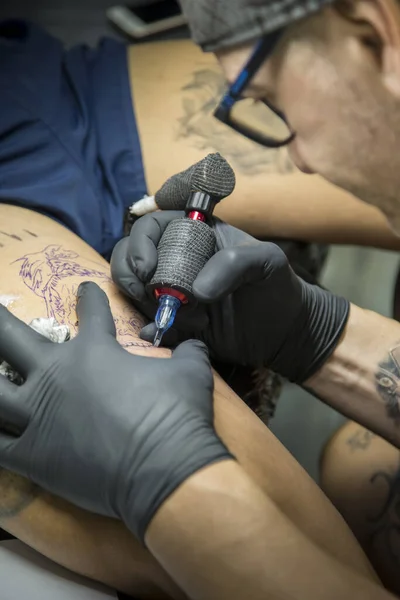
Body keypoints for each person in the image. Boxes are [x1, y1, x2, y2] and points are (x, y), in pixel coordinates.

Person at [0, 12, 396, 600]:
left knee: (362, 482)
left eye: (269, 104)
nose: (301, 162)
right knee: (362, 476)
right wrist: (318, 337)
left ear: (374, 30)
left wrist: (170, 483)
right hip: (44, 98)